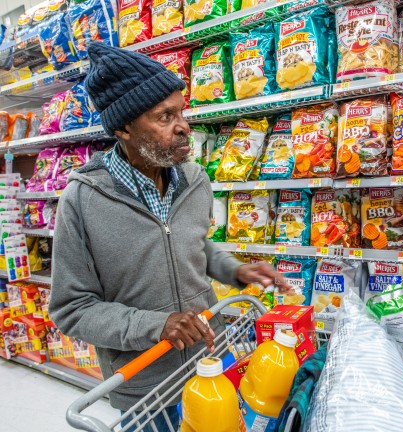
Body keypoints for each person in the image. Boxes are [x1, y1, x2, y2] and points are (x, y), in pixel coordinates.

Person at [49, 43, 288, 431]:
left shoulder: (195, 180)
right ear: (123, 128)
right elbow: (71, 309)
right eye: (165, 116)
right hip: (146, 388)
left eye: (182, 112)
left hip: (214, 359)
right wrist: (155, 325)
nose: (184, 127)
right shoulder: (82, 201)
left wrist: (234, 270)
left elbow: (192, 245)